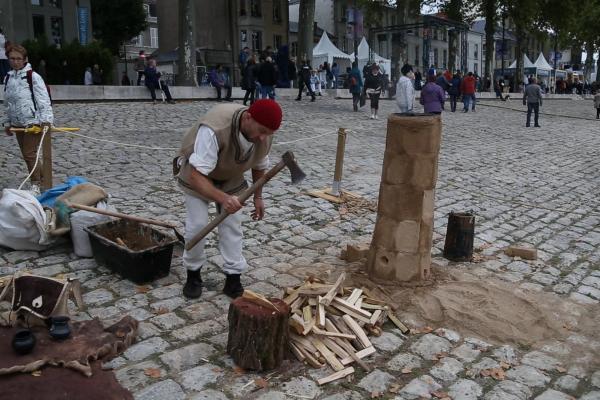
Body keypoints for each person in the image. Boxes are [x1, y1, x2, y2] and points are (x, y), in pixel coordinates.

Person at [174, 99, 283, 299]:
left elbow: (259, 165)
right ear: (248, 117)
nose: (262, 138)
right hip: (199, 174)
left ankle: (233, 277)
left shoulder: (264, 135)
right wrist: (224, 199)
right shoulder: (215, 129)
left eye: (268, 133)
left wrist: (258, 197)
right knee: (197, 226)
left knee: (232, 226)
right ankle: (193, 274)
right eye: (261, 130)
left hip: (231, 173)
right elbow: (196, 177)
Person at [3, 45, 53, 195]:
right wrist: (7, 122)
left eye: (19, 59)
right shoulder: (8, 78)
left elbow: (43, 100)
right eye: (12, 58)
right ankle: (45, 181)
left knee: (29, 153)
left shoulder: (33, 76)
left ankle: (36, 184)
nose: (16, 62)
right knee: (27, 155)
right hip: (18, 123)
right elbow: (7, 103)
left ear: (25, 60)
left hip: (33, 122)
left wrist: (46, 121)